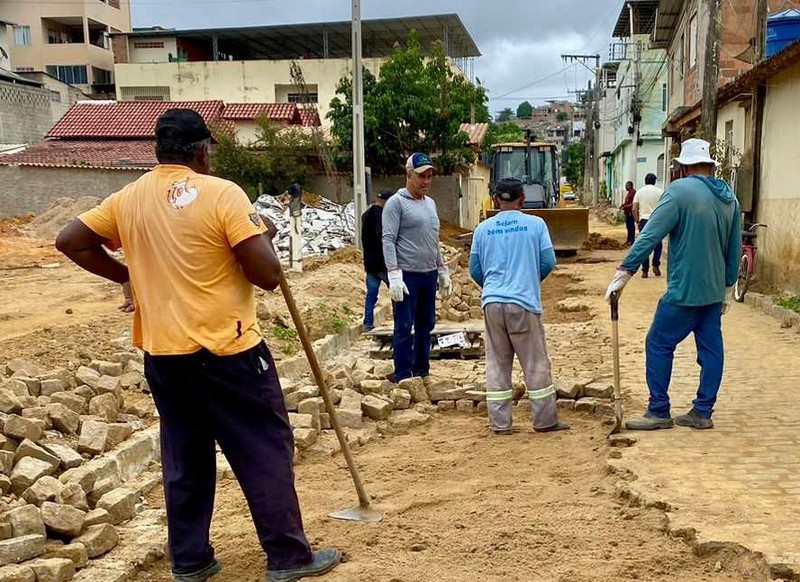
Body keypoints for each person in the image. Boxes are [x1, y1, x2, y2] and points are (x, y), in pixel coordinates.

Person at [55, 109, 341, 582]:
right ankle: (288, 557)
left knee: (185, 458)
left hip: (166, 357)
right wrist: (261, 236)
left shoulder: (129, 199)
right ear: (202, 150)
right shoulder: (222, 194)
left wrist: (127, 274)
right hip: (229, 354)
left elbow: (71, 240)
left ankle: (191, 561)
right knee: (262, 450)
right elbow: (267, 275)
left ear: (159, 150)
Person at [605, 138, 741, 431]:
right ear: (709, 165)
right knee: (712, 351)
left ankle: (658, 410)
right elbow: (734, 247)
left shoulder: (679, 192)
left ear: (683, 167)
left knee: (658, 343)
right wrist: (727, 287)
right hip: (713, 293)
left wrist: (625, 270)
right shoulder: (730, 197)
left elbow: (650, 234)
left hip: (684, 291)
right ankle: (703, 412)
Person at [469, 178, 570, 435]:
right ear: (522, 199)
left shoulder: (483, 229)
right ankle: (544, 420)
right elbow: (548, 261)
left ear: (495, 200)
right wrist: (527, 279)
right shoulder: (535, 225)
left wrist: (494, 287)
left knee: (497, 364)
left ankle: (500, 424)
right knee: (535, 363)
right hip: (523, 303)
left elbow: (475, 270)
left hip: (492, 304)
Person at [382, 152, 452, 382]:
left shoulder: (430, 203)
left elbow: (433, 240)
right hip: (407, 276)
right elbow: (388, 239)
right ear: (409, 175)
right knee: (404, 325)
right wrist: (393, 274)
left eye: (429, 176)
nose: (426, 181)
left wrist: (441, 270)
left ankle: (421, 370)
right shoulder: (397, 203)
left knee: (426, 323)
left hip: (428, 274)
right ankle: (403, 373)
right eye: (421, 176)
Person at [361, 188, 394, 332]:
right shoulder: (383, 216)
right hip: (383, 263)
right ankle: (401, 320)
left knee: (371, 295)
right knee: (397, 294)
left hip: (369, 263)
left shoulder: (365, 215)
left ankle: (367, 323)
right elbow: (384, 239)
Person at [633, 173, 664, 278]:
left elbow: (634, 208)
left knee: (644, 245)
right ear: (654, 181)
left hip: (644, 221)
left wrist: (637, 220)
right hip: (657, 220)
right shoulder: (660, 192)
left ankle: (645, 271)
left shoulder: (639, 192)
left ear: (645, 180)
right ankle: (656, 264)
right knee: (658, 244)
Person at [620, 181, 637, 245]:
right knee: (628, 227)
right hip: (627, 213)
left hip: (630, 213)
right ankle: (628, 239)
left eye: (627, 185)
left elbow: (633, 204)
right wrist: (623, 205)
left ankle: (632, 240)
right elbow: (627, 202)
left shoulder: (633, 193)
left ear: (630, 185)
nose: (625, 187)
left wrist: (625, 206)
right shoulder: (629, 193)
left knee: (631, 227)